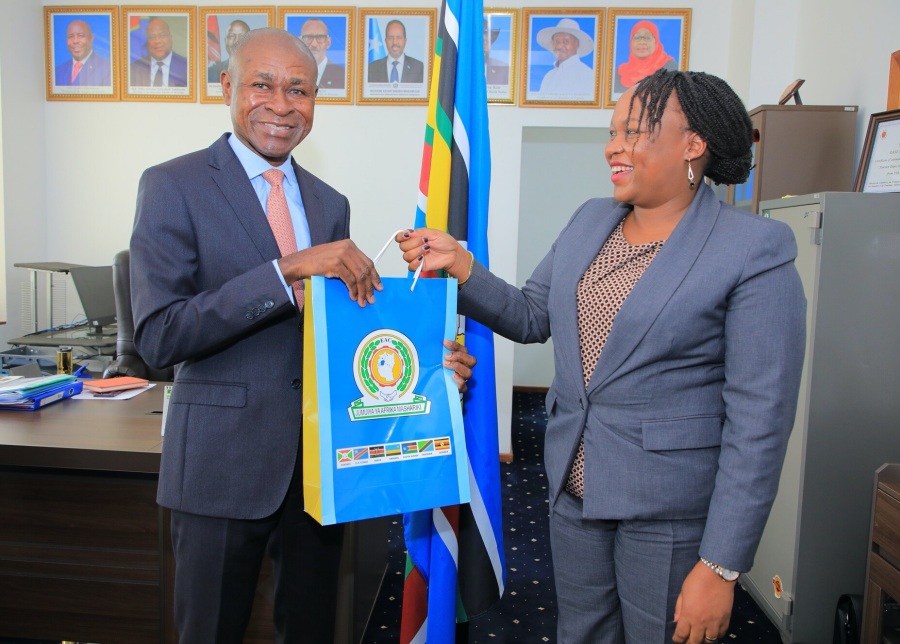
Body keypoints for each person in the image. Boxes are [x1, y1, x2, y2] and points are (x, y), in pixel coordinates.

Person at [397, 68, 806, 644]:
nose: (614, 146)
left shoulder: (753, 250)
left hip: (671, 513)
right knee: (581, 634)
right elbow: (531, 316)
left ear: (694, 145)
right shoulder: (592, 219)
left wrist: (720, 566)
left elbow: (760, 423)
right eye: (613, 132)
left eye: (635, 131)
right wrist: (461, 266)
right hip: (574, 492)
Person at [129, 28, 475, 642]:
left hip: (320, 469)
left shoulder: (328, 202)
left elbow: (340, 333)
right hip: (220, 467)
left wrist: (427, 362)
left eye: (300, 90)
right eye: (262, 84)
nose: (282, 105)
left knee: (312, 629)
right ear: (227, 87)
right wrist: (284, 270)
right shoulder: (172, 185)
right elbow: (159, 336)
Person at [536, 17, 595, 97]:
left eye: (566, 41)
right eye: (557, 41)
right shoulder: (549, 76)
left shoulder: (587, 75)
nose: (560, 46)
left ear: (576, 44)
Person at [615, 20, 677, 94]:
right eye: (637, 37)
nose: (642, 42)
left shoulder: (670, 68)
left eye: (647, 38)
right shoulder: (620, 73)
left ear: (656, 41)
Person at [130, 17, 188, 87]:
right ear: (147, 42)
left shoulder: (188, 67)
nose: (157, 41)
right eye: (152, 37)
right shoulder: (133, 69)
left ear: (170, 38)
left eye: (162, 35)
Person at [55, 18, 111, 87]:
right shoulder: (58, 71)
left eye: (80, 36)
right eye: (70, 36)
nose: (75, 41)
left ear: (91, 38)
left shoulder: (107, 69)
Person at [367, 19, 424, 83]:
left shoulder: (418, 67)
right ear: (385, 41)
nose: (394, 42)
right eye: (390, 38)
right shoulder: (372, 68)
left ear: (405, 41)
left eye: (399, 37)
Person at [299, 18, 345, 90]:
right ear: (300, 41)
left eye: (320, 38)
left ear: (328, 42)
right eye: (308, 38)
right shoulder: (291, 73)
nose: (314, 44)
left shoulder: (342, 75)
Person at [207, 19, 250, 84]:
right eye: (232, 36)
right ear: (225, 41)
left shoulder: (262, 69)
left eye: (242, 36)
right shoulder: (211, 72)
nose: (236, 40)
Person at [484, 18, 509, 85]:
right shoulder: (462, 67)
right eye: (478, 43)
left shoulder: (503, 69)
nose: (482, 47)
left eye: (485, 42)